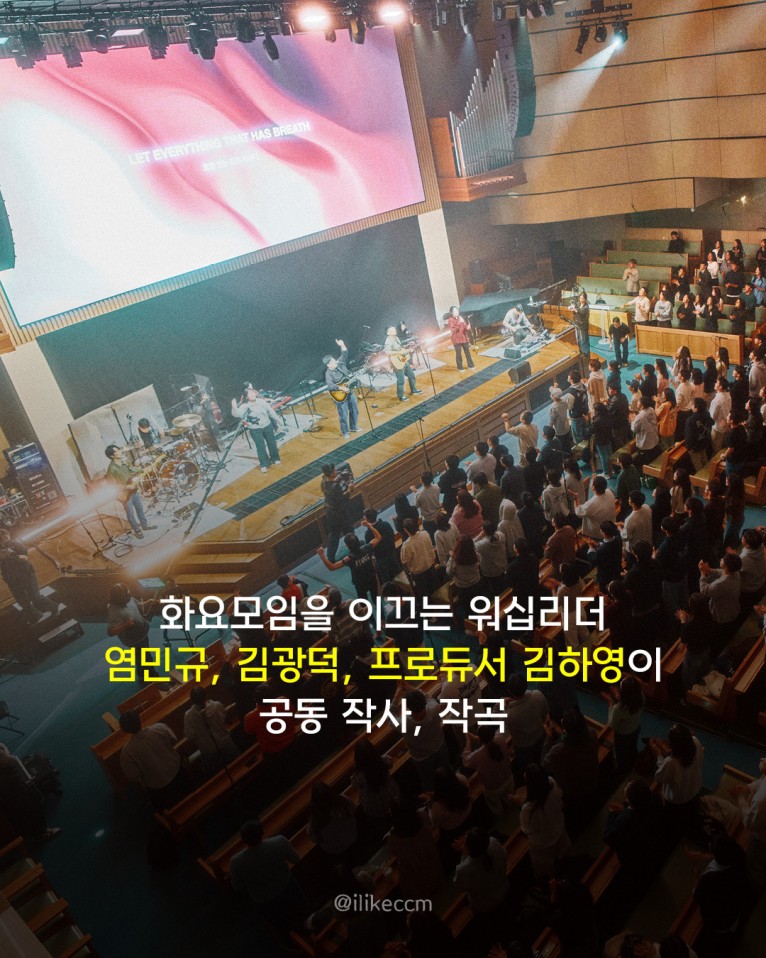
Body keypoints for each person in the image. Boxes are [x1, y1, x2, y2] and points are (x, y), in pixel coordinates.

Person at [230, 819, 308, 929]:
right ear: (262, 832)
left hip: (265, 901)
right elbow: (296, 859)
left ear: (243, 840)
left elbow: (237, 887)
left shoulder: (236, 862)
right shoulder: (279, 841)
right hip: (288, 887)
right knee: (302, 912)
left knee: (281, 924)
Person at [693, 834, 750, 958]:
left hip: (721, 921)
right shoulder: (738, 859)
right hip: (736, 908)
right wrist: (704, 856)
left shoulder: (710, 879)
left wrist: (696, 870)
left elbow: (697, 895)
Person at [118, 709, 187, 810]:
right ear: (140, 719)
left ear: (124, 730)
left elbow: (134, 775)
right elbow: (173, 740)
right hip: (177, 771)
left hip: (158, 787)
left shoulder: (126, 752)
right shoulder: (159, 728)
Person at [0, 743, 61, 842]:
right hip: (9, 781)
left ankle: (33, 833)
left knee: (18, 807)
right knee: (29, 804)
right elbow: (11, 760)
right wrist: (7, 754)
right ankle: (42, 832)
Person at [519, 764, 570, 879]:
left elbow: (526, 829)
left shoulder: (528, 809)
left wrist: (521, 803)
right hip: (559, 829)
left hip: (542, 844)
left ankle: (549, 882)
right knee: (564, 854)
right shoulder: (552, 783)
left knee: (544, 870)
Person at [386, 800, 444, 901]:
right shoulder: (423, 815)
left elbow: (393, 852)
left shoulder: (392, 837)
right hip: (430, 857)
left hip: (413, 870)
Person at [652, 723, 704, 828]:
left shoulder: (671, 762)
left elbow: (660, 777)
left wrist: (659, 755)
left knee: (674, 824)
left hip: (677, 802)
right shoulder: (696, 742)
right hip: (695, 792)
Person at [0, 531, 57, 623]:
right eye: (2, 539)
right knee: (22, 601)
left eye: (5, 537)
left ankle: (53, 607)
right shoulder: (1, 551)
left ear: (8, 536)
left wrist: (12, 555)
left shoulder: (15, 544)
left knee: (34, 596)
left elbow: (25, 557)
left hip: (25, 574)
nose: (4, 540)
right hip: (12, 579)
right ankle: (35, 616)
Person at [317, 521, 383, 602]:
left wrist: (322, 556)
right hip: (371, 578)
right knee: (377, 600)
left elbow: (332, 567)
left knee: (363, 604)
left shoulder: (349, 559)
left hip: (360, 583)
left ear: (348, 546)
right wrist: (370, 526)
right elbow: (378, 537)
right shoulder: (367, 548)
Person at [400, 688, 449, 790]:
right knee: (447, 771)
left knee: (429, 782)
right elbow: (427, 696)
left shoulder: (405, 723)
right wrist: (413, 689)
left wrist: (397, 695)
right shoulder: (434, 707)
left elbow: (390, 716)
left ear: (408, 707)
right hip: (440, 746)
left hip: (422, 758)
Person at [183, 685, 239, 775]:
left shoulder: (189, 716)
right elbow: (223, 718)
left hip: (208, 750)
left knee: (215, 776)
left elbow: (189, 736)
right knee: (238, 766)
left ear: (192, 700)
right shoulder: (216, 705)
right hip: (225, 742)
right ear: (205, 695)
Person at [104, 444, 157, 538]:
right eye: (117, 451)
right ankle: (137, 530)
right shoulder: (111, 469)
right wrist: (126, 487)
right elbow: (112, 485)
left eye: (119, 449)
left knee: (140, 508)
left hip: (133, 490)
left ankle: (145, 526)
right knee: (130, 513)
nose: (120, 451)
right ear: (112, 455)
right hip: (124, 494)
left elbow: (133, 469)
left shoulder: (125, 462)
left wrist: (142, 470)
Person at [462, 727, 514, 818]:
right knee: (510, 798)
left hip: (493, 788)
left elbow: (466, 761)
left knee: (495, 806)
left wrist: (468, 741)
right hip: (508, 778)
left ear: (481, 739)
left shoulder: (477, 755)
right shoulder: (500, 739)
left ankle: (501, 818)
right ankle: (513, 813)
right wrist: (477, 738)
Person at [504, 672, 549, 778]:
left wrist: (505, 706)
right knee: (541, 758)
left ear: (509, 691)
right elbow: (545, 714)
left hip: (523, 746)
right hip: (540, 735)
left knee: (527, 769)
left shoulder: (509, 714)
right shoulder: (538, 695)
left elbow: (508, 730)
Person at [453, 828, 509, 913]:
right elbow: (504, 854)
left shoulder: (464, 869)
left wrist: (464, 855)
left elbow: (459, 887)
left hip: (485, 906)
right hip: (504, 888)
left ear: (468, 848)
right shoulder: (493, 843)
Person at [731, 754, 766, 889]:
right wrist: (749, 787)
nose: (763, 761)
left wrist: (740, 798)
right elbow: (763, 782)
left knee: (754, 868)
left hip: (762, 840)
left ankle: (751, 894)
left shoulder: (763, 801)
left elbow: (751, 823)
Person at [604, 675, 644, 774]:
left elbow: (611, 724)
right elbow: (629, 699)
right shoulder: (641, 697)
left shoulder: (618, 709)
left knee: (621, 755)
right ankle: (634, 761)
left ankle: (623, 771)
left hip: (623, 735)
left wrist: (610, 703)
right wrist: (617, 693)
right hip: (635, 728)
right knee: (632, 747)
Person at [323, 339, 361, 436]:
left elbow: (344, 354)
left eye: (334, 360)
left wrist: (342, 345)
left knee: (354, 410)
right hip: (340, 396)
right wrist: (341, 388)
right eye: (333, 362)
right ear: (328, 365)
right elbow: (330, 386)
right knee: (343, 414)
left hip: (350, 391)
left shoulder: (340, 364)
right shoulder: (328, 374)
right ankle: (345, 432)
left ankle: (354, 427)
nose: (335, 361)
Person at [107, 582, 152, 656]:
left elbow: (137, 604)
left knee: (147, 656)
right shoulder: (114, 610)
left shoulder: (129, 598)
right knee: (142, 660)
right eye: (126, 595)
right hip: (134, 641)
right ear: (120, 597)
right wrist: (126, 624)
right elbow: (111, 632)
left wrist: (147, 602)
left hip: (143, 634)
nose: (129, 596)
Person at [320, 462, 354, 562]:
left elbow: (333, 483)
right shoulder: (335, 487)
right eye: (335, 470)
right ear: (331, 473)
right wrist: (349, 490)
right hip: (339, 513)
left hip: (330, 513)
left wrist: (339, 477)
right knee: (349, 530)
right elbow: (342, 501)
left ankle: (330, 556)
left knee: (334, 534)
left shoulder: (324, 481)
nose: (336, 471)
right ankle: (354, 545)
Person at [400, 518, 437, 597]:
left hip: (419, 574)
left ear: (405, 530)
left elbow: (405, 562)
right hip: (431, 566)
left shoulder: (407, 545)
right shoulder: (425, 533)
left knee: (425, 595)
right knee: (434, 590)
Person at [385, 325, 422, 402]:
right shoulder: (388, 341)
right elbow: (387, 352)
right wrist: (400, 352)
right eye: (392, 330)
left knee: (411, 375)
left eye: (394, 329)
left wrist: (408, 348)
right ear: (388, 333)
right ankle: (400, 396)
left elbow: (400, 348)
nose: (395, 330)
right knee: (401, 380)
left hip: (402, 359)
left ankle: (414, 390)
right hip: (396, 362)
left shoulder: (396, 338)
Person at [363, 508, 400, 584]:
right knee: (399, 575)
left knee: (387, 581)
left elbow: (370, 548)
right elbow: (392, 537)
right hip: (391, 554)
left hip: (380, 559)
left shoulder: (368, 533)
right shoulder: (386, 524)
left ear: (367, 519)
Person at [573, 474, 615, 539]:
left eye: (592, 482)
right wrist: (597, 481)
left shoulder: (591, 504)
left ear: (593, 487)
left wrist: (576, 499)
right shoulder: (609, 492)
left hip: (600, 532)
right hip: (611, 524)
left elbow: (578, 512)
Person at [588, 520, 622, 592]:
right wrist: (598, 545)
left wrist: (591, 548)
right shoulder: (618, 539)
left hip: (605, 576)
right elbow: (609, 546)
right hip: (617, 569)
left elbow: (593, 560)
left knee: (606, 592)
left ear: (603, 532)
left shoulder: (601, 550)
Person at [410, 471, 442, 540]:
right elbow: (427, 493)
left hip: (428, 520)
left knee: (432, 539)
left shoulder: (419, 494)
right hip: (439, 516)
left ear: (421, 480)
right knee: (441, 534)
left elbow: (416, 505)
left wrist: (415, 493)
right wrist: (416, 491)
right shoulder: (436, 487)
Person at [631, 396, 660, 468]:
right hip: (654, 439)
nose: (637, 403)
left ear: (642, 405)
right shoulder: (651, 409)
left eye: (638, 402)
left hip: (645, 443)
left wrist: (632, 420)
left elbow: (634, 429)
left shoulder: (640, 416)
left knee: (644, 461)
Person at [447, 305, 474, 370]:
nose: (457, 312)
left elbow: (464, 326)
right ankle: (460, 367)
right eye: (455, 311)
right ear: (451, 313)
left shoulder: (460, 318)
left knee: (467, 352)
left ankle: (471, 365)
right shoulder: (450, 320)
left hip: (463, 337)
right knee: (459, 354)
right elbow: (453, 330)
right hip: (456, 339)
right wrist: (460, 323)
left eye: (457, 310)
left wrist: (467, 327)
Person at [548, 387, 573, 452]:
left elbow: (551, 422)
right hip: (567, 428)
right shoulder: (564, 401)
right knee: (568, 446)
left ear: (553, 396)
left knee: (563, 449)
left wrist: (548, 432)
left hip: (559, 432)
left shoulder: (554, 408)